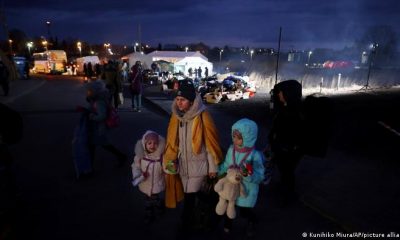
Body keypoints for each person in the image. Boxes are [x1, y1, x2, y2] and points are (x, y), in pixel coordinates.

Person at [163, 79, 223, 232]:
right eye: (177, 99)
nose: (179, 103)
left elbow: (210, 144)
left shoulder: (203, 117)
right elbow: (173, 142)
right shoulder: (177, 117)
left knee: (190, 199)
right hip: (184, 166)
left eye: (182, 100)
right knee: (197, 196)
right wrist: (171, 160)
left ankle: (186, 226)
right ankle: (210, 215)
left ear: (191, 101)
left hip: (200, 165)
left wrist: (212, 167)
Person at [218, 118, 265, 238]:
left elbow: (260, 176)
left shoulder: (255, 156)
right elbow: (226, 165)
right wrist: (218, 171)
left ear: (248, 138)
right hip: (231, 186)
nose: (235, 140)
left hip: (247, 189)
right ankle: (228, 224)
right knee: (230, 204)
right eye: (233, 136)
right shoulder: (231, 150)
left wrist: (248, 175)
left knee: (244, 211)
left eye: (239, 137)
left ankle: (252, 220)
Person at [268, 80, 304, 205]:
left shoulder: (295, 111)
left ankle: (288, 196)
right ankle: (285, 190)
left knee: (287, 172)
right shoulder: (285, 108)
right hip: (282, 148)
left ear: (289, 93)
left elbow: (294, 133)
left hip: (289, 150)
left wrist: (287, 147)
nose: (279, 95)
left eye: (281, 93)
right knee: (284, 171)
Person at [79, 80, 127, 171]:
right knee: (98, 145)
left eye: (89, 91)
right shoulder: (97, 99)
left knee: (98, 145)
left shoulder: (99, 102)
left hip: (99, 128)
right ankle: (89, 166)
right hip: (97, 128)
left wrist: (92, 116)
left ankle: (89, 168)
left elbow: (102, 116)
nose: (88, 92)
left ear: (95, 91)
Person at [131, 130, 166, 224]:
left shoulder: (162, 157)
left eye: (155, 143)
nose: (152, 145)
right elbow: (135, 167)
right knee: (148, 200)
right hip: (145, 183)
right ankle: (149, 213)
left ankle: (158, 209)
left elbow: (167, 169)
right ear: (144, 144)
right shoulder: (140, 156)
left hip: (157, 184)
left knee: (155, 199)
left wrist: (172, 166)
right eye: (149, 143)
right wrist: (138, 176)